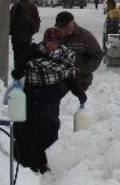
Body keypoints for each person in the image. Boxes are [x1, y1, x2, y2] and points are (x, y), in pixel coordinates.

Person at [11, 27, 85, 173]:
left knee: (48, 122)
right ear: (44, 41)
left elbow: (68, 78)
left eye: (55, 43)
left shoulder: (64, 56)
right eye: (48, 42)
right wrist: (26, 58)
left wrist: (80, 94)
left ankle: (46, 161)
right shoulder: (33, 52)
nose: (51, 46)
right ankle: (28, 161)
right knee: (27, 126)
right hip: (31, 92)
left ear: (59, 43)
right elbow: (16, 73)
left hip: (50, 93)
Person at [55, 10, 104, 90]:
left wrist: (82, 70)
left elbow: (97, 55)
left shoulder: (85, 36)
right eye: (59, 27)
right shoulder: (53, 35)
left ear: (72, 23)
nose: (61, 30)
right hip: (58, 81)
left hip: (80, 81)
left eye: (64, 27)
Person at [9, 0, 41, 69]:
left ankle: (17, 70)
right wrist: (32, 31)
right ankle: (24, 70)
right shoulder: (32, 7)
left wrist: (12, 32)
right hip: (27, 37)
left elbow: (9, 22)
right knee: (26, 54)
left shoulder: (15, 8)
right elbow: (36, 21)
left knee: (17, 55)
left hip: (16, 38)